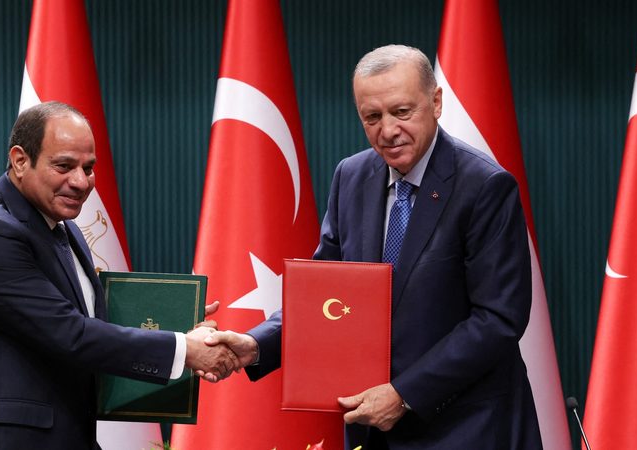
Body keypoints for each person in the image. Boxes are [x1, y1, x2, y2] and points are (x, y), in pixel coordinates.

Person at [207, 45, 542, 449]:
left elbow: (498, 319)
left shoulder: (485, 186)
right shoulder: (351, 176)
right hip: (372, 430)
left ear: (435, 102)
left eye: (402, 112)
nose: (387, 130)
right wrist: (258, 343)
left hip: (466, 429)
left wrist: (403, 395)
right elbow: (323, 295)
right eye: (372, 116)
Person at [0, 101, 237, 450]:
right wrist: (184, 349)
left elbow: (79, 319)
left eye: (88, 168)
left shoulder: (62, 228)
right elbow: (68, 333)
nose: (80, 182)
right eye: (64, 166)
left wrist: (178, 323)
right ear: (20, 160)